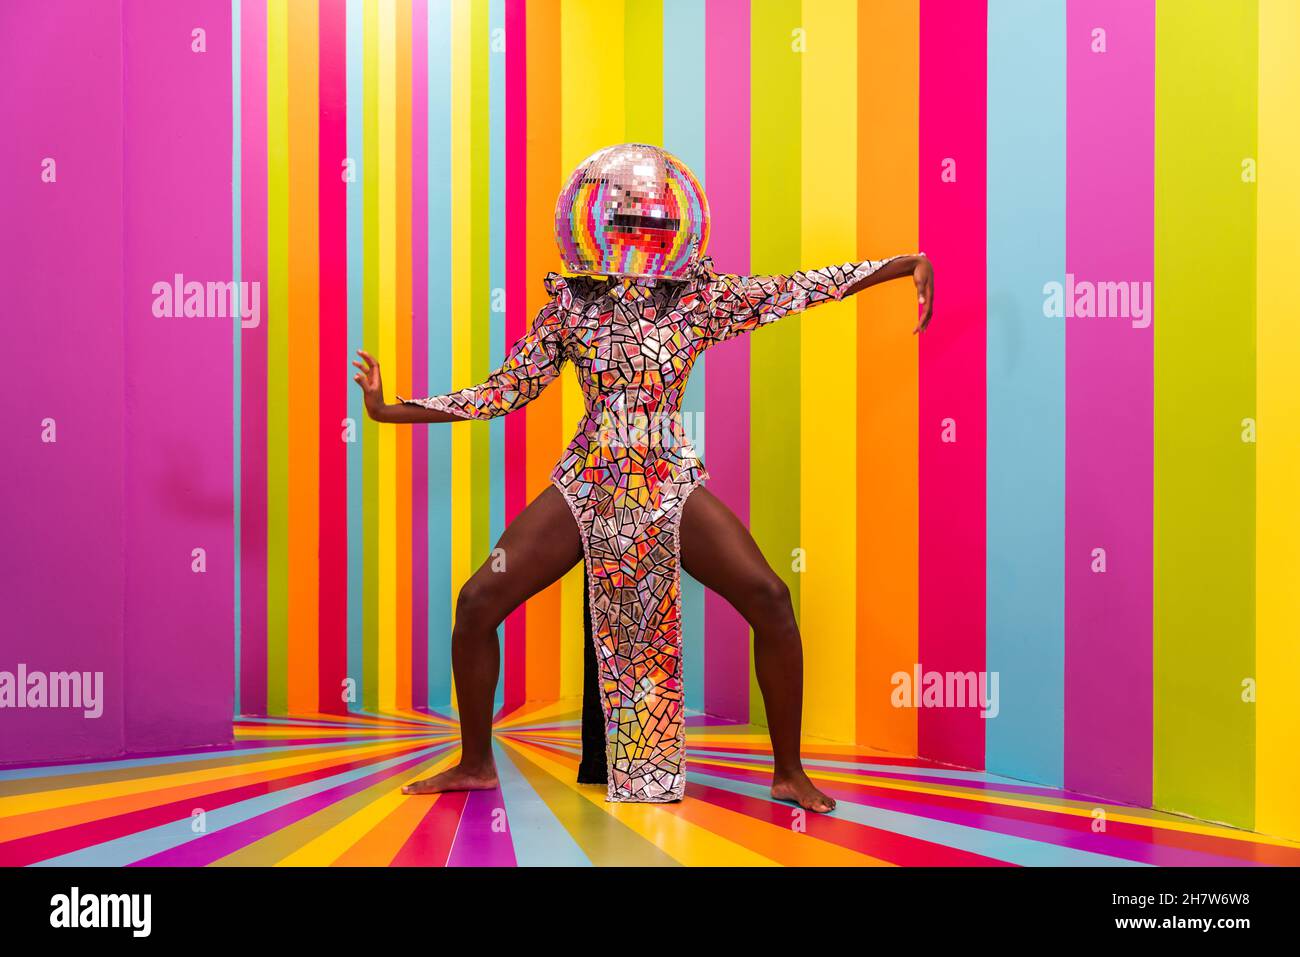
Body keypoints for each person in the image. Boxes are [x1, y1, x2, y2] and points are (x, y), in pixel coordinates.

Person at [354, 144, 933, 812]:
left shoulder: (700, 301)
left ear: (675, 229)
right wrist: (389, 409)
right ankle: (476, 761)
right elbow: (506, 390)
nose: (642, 236)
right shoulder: (568, 307)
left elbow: (797, 288)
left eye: (656, 224)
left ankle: (790, 772)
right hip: (590, 479)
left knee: (771, 598)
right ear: (599, 225)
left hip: (666, 478)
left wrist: (900, 265)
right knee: (477, 602)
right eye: (629, 222)